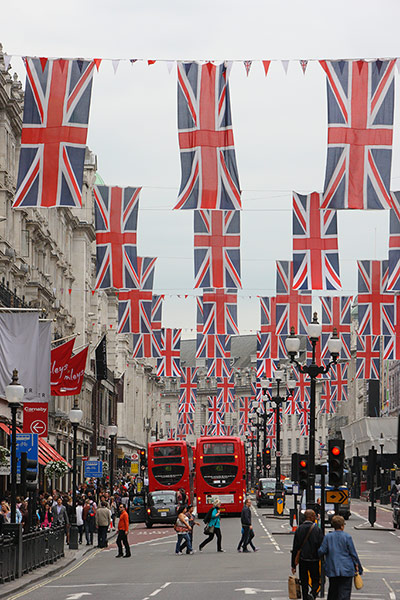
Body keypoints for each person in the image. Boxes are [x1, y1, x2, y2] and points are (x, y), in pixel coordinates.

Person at [318, 515, 363, 600]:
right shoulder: (347, 537)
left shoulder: (328, 537)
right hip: (346, 569)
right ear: (342, 526)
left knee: (333, 592)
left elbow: (321, 551)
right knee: (345, 593)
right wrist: (359, 568)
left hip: (332, 569)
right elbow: (353, 554)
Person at [291, 509, 324, 600]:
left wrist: (293, 565)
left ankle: (305, 597)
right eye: (314, 516)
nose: (315, 517)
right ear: (311, 517)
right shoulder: (317, 529)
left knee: (304, 580)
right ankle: (313, 593)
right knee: (316, 580)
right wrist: (321, 558)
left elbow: (295, 548)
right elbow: (321, 545)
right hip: (314, 559)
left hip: (302, 559)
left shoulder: (299, 529)